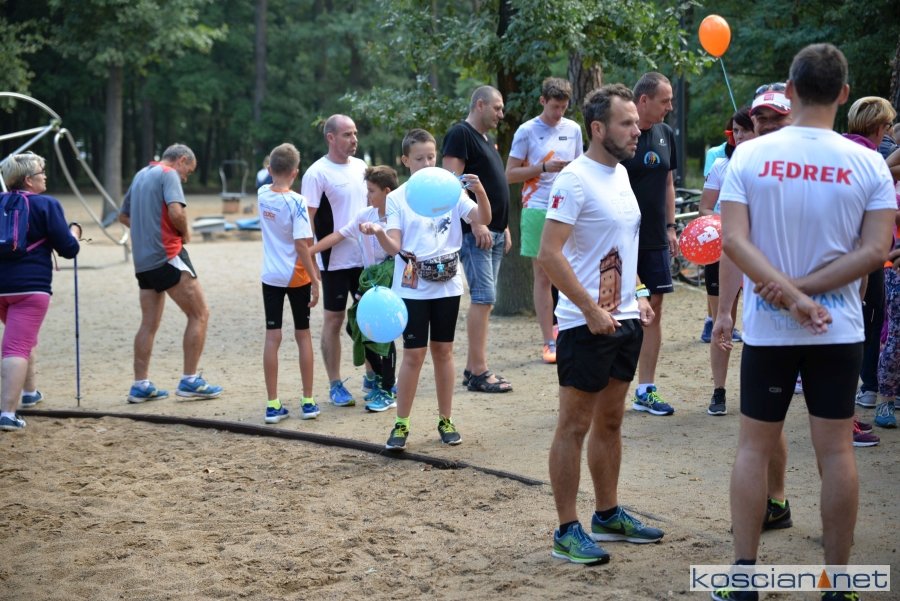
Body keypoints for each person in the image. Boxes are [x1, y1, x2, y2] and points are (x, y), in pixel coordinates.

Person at [711, 43, 895, 601]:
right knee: (836, 452)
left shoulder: (749, 156)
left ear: (789, 92)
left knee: (753, 448)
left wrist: (789, 295)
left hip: (770, 329)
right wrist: (807, 295)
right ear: (844, 94)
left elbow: (733, 241)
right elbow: (876, 251)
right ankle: (837, 584)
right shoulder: (869, 161)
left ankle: (744, 578)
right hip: (837, 328)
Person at [538, 84, 664, 565]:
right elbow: (549, 253)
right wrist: (590, 309)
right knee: (574, 425)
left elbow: (619, 246)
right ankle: (566, 529)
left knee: (611, 422)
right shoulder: (573, 180)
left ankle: (607, 515)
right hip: (583, 325)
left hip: (625, 320)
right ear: (597, 128)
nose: (637, 131)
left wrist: (637, 293)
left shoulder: (621, 174)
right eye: (626, 123)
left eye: (635, 122)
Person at [361, 128, 492, 451]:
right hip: (412, 288)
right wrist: (379, 232)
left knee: (444, 352)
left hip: (447, 285)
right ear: (405, 160)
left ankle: (446, 420)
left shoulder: (450, 190)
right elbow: (395, 246)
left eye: (431, 157)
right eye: (419, 158)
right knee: (413, 355)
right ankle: (401, 423)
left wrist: (480, 191)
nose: (426, 163)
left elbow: (483, 217)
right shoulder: (397, 197)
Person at [713, 83, 796, 531]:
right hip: (767, 320)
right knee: (764, 420)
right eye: (760, 118)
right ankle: (774, 503)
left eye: (776, 117)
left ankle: (837, 551)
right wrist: (725, 311)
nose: (766, 125)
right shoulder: (742, 164)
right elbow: (731, 246)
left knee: (832, 438)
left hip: (827, 320)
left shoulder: (823, 163)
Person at [119, 144, 223, 403]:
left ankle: (140, 385)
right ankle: (190, 380)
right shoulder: (169, 174)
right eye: (189, 170)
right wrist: (184, 234)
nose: (186, 177)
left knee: (148, 323)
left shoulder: (140, 175)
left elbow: (123, 215)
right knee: (200, 313)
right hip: (167, 255)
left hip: (143, 262)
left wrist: (147, 231)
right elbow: (177, 212)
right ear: (182, 160)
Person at [0, 153, 81, 431]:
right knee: (16, 346)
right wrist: (74, 232)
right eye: (40, 172)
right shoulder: (46, 204)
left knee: (21, 338)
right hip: (31, 287)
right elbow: (68, 249)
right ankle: (7, 413)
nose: (45, 176)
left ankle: (29, 392)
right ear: (28, 180)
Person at [505, 77, 584, 364]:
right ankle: (548, 341)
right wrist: (543, 168)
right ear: (542, 101)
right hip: (537, 207)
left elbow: (582, 167)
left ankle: (571, 332)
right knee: (543, 275)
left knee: (572, 270)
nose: (558, 113)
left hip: (568, 207)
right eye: (554, 107)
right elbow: (509, 174)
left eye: (563, 107)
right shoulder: (527, 131)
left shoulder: (573, 129)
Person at [309, 165, 399, 413]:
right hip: (371, 283)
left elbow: (398, 250)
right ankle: (382, 379)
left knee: (383, 332)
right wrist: (308, 252)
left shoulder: (397, 218)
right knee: (355, 326)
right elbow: (339, 235)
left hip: (390, 284)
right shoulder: (365, 215)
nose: (367, 196)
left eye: (371, 191)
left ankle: (387, 388)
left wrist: (379, 233)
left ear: (387, 192)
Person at [442, 85, 513, 393]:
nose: (501, 114)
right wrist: (475, 222)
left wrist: (503, 225)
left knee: (487, 300)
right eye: (497, 108)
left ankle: (473, 369)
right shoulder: (461, 134)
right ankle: (480, 371)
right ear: (480, 104)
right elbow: (451, 184)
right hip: (476, 234)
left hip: (494, 231)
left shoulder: (485, 140)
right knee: (483, 298)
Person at [620, 72, 677, 416]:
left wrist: (671, 227)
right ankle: (607, 387)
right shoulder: (622, 135)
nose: (670, 107)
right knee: (618, 310)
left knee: (653, 310)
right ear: (644, 100)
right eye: (664, 100)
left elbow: (668, 183)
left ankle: (645, 389)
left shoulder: (666, 133)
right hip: (622, 238)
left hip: (655, 237)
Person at [300, 114, 368, 407]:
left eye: (355, 134)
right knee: (334, 320)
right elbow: (306, 221)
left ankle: (372, 377)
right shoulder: (317, 173)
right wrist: (311, 264)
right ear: (330, 137)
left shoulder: (362, 167)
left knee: (368, 317)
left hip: (365, 258)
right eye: (347, 134)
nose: (354, 139)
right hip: (333, 262)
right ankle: (335, 383)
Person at [843, 96, 898, 440]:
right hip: (860, 261)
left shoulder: (838, 150)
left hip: (837, 259)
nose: (889, 131)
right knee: (856, 334)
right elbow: (879, 217)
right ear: (879, 127)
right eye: (888, 125)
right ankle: (843, 419)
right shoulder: (870, 160)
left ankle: (844, 414)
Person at [698, 107, 756, 415]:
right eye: (736, 131)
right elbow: (704, 208)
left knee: (759, 321)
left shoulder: (771, 168)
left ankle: (761, 389)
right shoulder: (721, 165)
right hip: (724, 251)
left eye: (746, 129)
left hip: (761, 255)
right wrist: (728, 224)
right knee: (722, 320)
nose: (741, 135)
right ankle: (718, 391)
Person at [258, 143, 320, 424]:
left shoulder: (262, 194)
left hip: (270, 276)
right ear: (296, 172)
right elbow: (302, 245)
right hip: (296, 276)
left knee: (273, 336)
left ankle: (272, 404)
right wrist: (315, 279)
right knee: (302, 335)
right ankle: (308, 401)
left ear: (269, 169)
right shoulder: (297, 202)